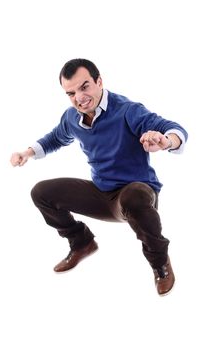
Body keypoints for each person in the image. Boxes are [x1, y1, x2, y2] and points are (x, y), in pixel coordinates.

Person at [10, 58, 188, 296]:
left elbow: (175, 129)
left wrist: (166, 141)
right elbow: (55, 138)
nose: (79, 98)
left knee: (134, 196)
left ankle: (160, 264)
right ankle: (81, 242)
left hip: (136, 194)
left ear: (99, 81)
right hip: (102, 194)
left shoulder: (127, 110)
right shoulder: (72, 117)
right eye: (71, 93)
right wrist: (28, 152)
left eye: (84, 87)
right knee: (41, 192)